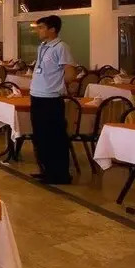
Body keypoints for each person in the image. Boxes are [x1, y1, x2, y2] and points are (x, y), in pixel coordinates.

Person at [29, 15, 76, 185]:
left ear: (52, 29)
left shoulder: (61, 47)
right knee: (40, 136)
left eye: (41, 27)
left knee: (55, 137)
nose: (38, 30)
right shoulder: (42, 47)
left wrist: (58, 85)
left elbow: (70, 73)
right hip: (37, 95)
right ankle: (46, 170)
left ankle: (60, 174)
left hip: (51, 98)